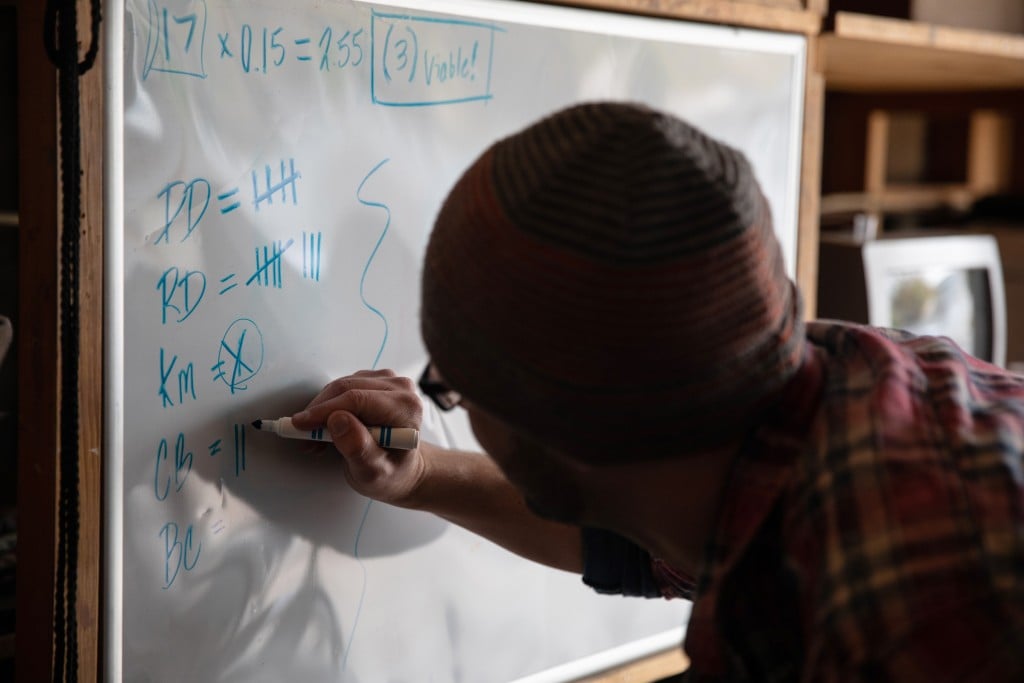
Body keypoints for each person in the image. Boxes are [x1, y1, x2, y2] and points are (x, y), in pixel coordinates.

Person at [291, 102, 1024, 681]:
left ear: (564, 433)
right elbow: (639, 524)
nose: (452, 402)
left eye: (452, 386)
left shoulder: (894, 617)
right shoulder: (811, 396)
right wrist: (420, 476)